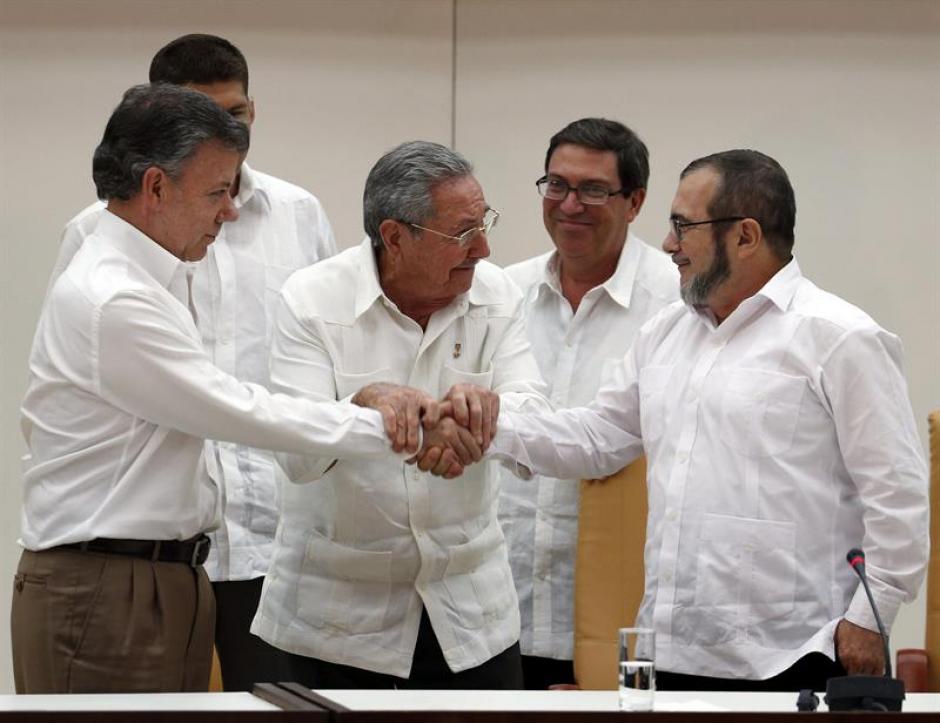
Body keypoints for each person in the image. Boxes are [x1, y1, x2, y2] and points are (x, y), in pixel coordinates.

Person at [13, 84, 423, 694]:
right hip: (106, 584)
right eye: (216, 193)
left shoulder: (155, 275)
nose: (230, 213)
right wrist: (390, 425)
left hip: (157, 574)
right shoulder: (114, 295)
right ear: (156, 187)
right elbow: (232, 410)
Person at [474, 149, 928, 691]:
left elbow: (896, 494)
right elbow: (595, 438)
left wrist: (870, 615)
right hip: (670, 652)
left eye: (683, 226)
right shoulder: (666, 332)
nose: (669, 244)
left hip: (794, 656)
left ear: (745, 236)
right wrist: (483, 427)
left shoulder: (840, 338)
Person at [43, 34, 337, 691]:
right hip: (152, 554)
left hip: (277, 547)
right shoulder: (99, 230)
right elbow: (72, 389)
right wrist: (382, 427)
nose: (223, 131)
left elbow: (329, 360)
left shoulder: (298, 214)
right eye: (199, 115)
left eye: (235, 115)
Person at [251, 140, 550, 689]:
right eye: (462, 232)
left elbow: (534, 418)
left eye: (485, 223)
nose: (483, 248)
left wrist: (480, 418)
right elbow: (296, 455)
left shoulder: (497, 294)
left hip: (471, 613)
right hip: (337, 620)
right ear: (394, 237)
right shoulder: (312, 299)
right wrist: (364, 408)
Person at [499, 118, 677, 689]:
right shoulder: (499, 294)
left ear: (635, 202)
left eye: (593, 190)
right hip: (502, 616)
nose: (570, 204)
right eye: (557, 185)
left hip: (619, 620)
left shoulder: (677, 304)